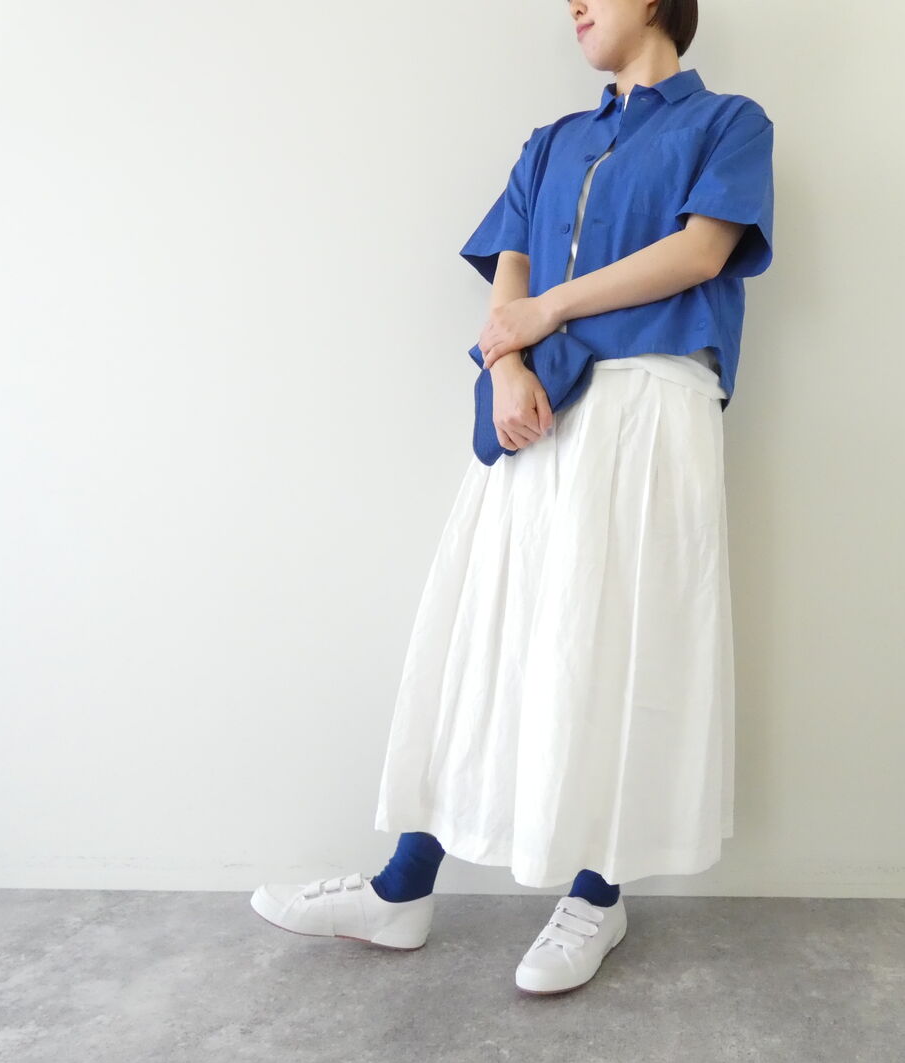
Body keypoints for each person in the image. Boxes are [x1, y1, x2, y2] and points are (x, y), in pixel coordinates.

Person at [250, 0, 775, 996]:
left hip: (652, 401)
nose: (573, 5)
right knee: (483, 634)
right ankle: (402, 888)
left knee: (620, 641)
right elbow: (512, 270)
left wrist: (545, 315)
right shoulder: (551, 143)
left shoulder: (729, 122)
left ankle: (597, 895)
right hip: (537, 407)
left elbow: (701, 253)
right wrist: (504, 366)